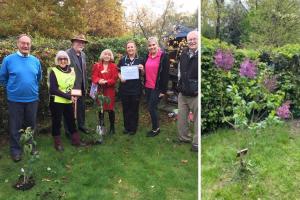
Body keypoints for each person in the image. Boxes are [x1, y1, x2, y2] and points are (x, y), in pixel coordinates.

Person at [0, 34, 42, 162]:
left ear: (30, 45)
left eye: (28, 43)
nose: (25, 46)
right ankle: (16, 150)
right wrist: (13, 89)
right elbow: (3, 78)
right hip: (15, 100)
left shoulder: (35, 61)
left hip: (32, 99)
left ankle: (31, 146)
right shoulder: (9, 60)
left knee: (31, 125)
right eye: (23, 43)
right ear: (18, 44)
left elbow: (39, 78)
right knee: (15, 126)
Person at [49, 51, 85, 151]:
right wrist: (68, 96)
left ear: (67, 60)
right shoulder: (54, 71)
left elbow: (73, 85)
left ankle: (76, 140)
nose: (63, 61)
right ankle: (57, 143)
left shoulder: (71, 70)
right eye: (60, 59)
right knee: (57, 122)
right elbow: (53, 89)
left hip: (69, 100)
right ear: (57, 60)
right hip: (57, 101)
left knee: (71, 120)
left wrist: (74, 95)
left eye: (65, 59)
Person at [175, 30, 198, 152]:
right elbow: (180, 71)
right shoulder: (183, 54)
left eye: (194, 39)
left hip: (195, 94)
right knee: (182, 118)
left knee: (197, 119)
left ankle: (196, 143)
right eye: (190, 40)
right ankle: (184, 137)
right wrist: (179, 84)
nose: (192, 41)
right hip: (183, 93)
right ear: (187, 41)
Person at [144, 37, 170, 137]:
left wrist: (163, 90)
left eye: (153, 44)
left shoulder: (164, 56)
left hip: (157, 87)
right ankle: (155, 127)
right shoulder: (147, 56)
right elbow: (146, 70)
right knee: (152, 107)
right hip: (147, 86)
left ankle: (156, 129)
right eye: (150, 45)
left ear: (157, 45)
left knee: (151, 108)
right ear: (148, 47)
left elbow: (165, 74)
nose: (152, 47)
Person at [118, 41, 144, 135]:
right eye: (128, 47)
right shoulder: (122, 60)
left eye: (132, 47)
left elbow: (144, 74)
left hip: (136, 89)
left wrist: (142, 69)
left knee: (134, 109)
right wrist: (120, 77)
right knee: (126, 109)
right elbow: (118, 71)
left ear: (135, 48)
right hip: (125, 89)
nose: (130, 49)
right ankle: (126, 127)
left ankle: (133, 128)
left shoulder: (140, 59)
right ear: (126, 49)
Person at [66, 34, 88, 135]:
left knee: (81, 108)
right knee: (70, 110)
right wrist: (68, 89)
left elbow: (83, 71)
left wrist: (85, 85)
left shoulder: (83, 55)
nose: (81, 44)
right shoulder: (67, 54)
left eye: (82, 42)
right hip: (71, 87)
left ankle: (81, 125)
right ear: (73, 42)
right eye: (78, 42)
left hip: (82, 87)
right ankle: (69, 130)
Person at [91, 49, 118, 134]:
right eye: (105, 54)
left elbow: (114, 78)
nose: (107, 56)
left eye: (109, 54)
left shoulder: (113, 66)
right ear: (102, 55)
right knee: (101, 109)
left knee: (110, 109)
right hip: (100, 91)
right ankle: (101, 129)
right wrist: (99, 80)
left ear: (111, 57)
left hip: (109, 90)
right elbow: (94, 76)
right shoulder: (97, 65)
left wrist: (106, 82)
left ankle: (112, 127)